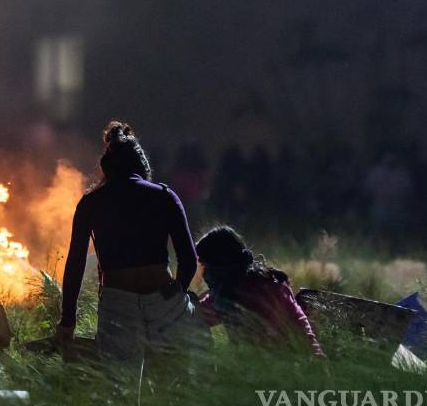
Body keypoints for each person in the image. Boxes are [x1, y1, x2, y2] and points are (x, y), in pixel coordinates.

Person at [58, 121, 205, 374]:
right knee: (171, 388)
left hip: (118, 303)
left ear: (106, 168)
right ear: (141, 165)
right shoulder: (164, 196)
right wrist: (174, 294)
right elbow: (189, 259)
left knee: (121, 394)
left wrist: (68, 319)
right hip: (163, 298)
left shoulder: (90, 204)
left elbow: (75, 265)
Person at [194, 225, 324, 357]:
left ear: (220, 263)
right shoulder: (227, 291)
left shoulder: (260, 290)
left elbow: (196, 317)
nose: (204, 273)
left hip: (290, 365)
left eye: (205, 265)